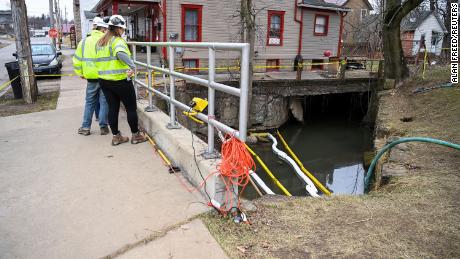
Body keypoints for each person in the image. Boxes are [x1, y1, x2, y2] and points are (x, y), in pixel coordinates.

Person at [95, 15, 148, 146]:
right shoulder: (117, 41)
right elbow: (120, 53)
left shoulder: (101, 42)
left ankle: (116, 137)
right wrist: (132, 67)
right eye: (123, 30)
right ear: (118, 28)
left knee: (113, 108)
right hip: (120, 81)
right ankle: (136, 136)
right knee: (131, 108)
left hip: (104, 81)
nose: (123, 32)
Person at [73, 16, 110, 136]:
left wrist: (80, 73)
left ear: (94, 27)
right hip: (105, 77)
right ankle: (103, 127)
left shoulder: (84, 42)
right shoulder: (107, 41)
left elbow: (77, 60)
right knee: (104, 102)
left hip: (91, 78)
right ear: (103, 29)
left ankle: (85, 127)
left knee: (90, 102)